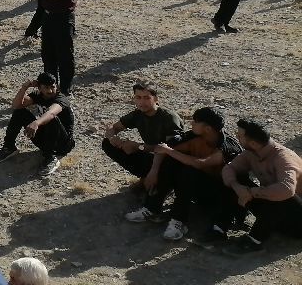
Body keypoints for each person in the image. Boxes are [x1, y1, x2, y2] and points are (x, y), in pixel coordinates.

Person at [126, 106, 243, 242]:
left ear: (207, 128)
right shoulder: (193, 136)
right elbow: (162, 149)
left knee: (189, 169)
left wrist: (169, 151)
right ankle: (152, 207)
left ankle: (179, 221)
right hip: (196, 186)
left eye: (195, 121)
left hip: (219, 195)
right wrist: (154, 171)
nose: (191, 123)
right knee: (171, 161)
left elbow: (200, 163)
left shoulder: (227, 147)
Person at [220, 118, 302, 252]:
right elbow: (229, 169)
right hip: (274, 214)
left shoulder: (284, 158)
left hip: (297, 220)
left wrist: (251, 192)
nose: (236, 138)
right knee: (236, 179)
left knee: (282, 194)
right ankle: (221, 227)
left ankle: (254, 241)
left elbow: (287, 190)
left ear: (252, 142)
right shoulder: (251, 153)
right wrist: (237, 187)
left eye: (239, 136)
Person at [0, 73, 75, 177]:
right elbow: (16, 105)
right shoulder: (38, 95)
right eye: (46, 87)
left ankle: (50, 158)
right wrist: (24, 87)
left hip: (63, 144)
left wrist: (36, 123)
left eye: (52, 87)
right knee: (19, 112)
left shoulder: (61, 99)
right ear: (39, 87)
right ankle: (9, 147)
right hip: (46, 139)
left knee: (51, 119)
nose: (50, 91)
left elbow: (51, 113)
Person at [101, 82, 184, 181]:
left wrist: (138, 146)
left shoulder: (169, 117)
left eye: (147, 98)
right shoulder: (138, 114)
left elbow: (170, 148)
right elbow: (113, 127)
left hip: (171, 160)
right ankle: (146, 177)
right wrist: (112, 138)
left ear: (156, 99)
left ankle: (158, 180)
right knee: (107, 144)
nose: (142, 102)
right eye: (138, 97)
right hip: (151, 154)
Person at [37, 0, 81, 94]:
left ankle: (65, 87)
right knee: (48, 54)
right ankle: (51, 86)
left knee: (64, 55)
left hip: (63, 18)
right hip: (48, 17)